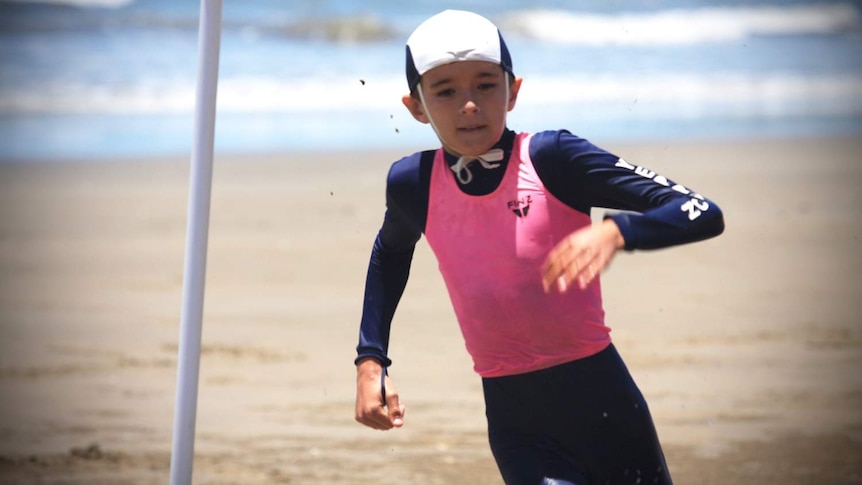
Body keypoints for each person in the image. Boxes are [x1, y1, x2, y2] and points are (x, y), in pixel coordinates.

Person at [353, 9, 724, 485]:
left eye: (486, 84)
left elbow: (701, 210)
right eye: (446, 91)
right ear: (416, 107)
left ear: (514, 90)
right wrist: (370, 362)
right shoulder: (414, 184)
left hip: (605, 406)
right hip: (515, 421)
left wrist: (619, 232)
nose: (469, 104)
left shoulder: (554, 159)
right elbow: (390, 254)